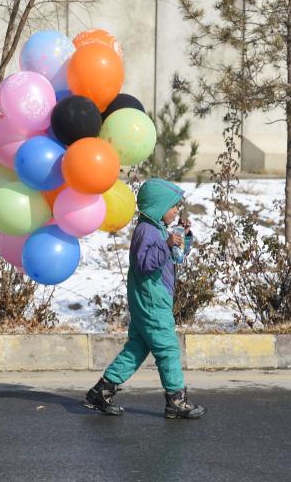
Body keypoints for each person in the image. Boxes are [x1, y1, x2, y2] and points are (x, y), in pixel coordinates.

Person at [83, 178, 206, 419]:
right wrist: (166, 243)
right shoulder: (146, 231)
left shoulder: (157, 229)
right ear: (158, 207)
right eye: (173, 207)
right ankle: (176, 400)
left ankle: (102, 391)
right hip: (151, 301)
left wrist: (183, 237)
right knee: (168, 348)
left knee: (137, 349)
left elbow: (175, 257)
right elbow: (144, 264)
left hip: (151, 300)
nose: (175, 211)